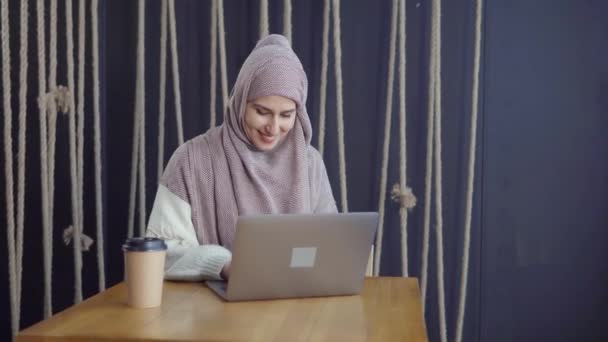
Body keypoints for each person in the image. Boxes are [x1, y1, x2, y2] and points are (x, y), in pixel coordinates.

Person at [146, 34, 337, 281]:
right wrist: (224, 265)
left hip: (298, 304)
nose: (273, 127)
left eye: (287, 115)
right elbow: (161, 250)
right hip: (212, 311)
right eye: (262, 112)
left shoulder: (309, 162)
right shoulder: (191, 160)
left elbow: (331, 242)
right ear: (240, 102)